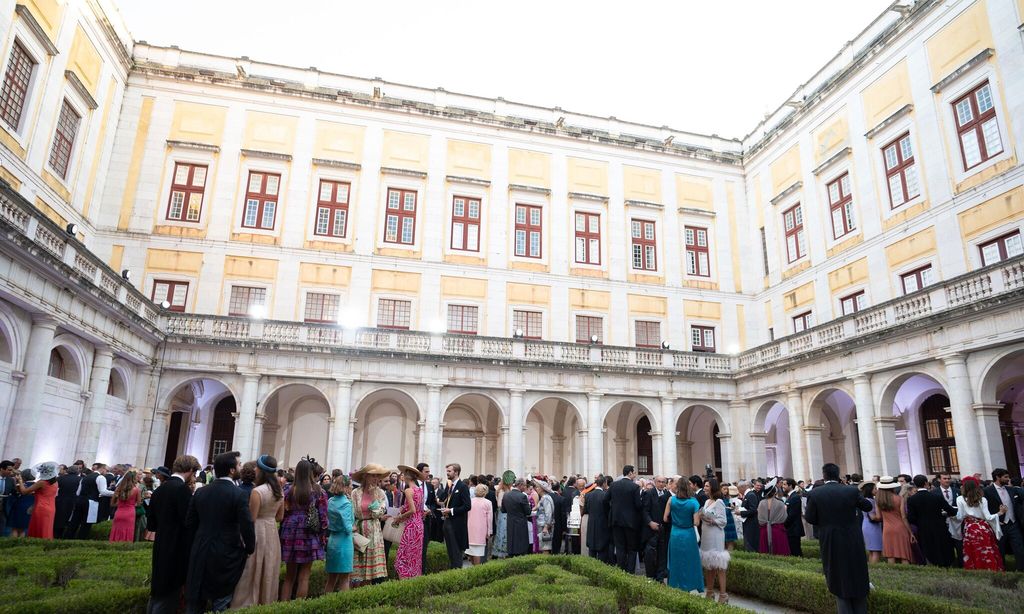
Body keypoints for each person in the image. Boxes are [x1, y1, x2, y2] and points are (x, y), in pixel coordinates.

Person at [184, 451, 255, 614]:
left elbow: (190, 523)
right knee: (221, 601)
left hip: (200, 549)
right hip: (226, 553)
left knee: (195, 599)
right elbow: (247, 526)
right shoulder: (239, 494)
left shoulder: (201, 492)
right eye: (238, 464)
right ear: (231, 470)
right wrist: (249, 549)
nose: (240, 467)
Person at [805, 463, 873, 614]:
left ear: (824, 475)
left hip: (830, 538)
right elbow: (868, 506)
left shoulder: (816, 493)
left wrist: (825, 523)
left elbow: (809, 518)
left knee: (836, 572)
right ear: (838, 474)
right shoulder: (851, 490)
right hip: (852, 536)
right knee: (857, 570)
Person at [147, 455, 199, 614]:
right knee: (170, 590)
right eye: (194, 472)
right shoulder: (182, 490)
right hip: (177, 546)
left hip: (161, 542)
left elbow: (151, 524)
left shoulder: (160, 489)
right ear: (190, 470)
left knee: (158, 587)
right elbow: (188, 521)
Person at [231, 455, 284, 607]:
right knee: (268, 568)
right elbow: (280, 517)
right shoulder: (279, 491)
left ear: (261, 470)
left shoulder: (257, 491)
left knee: (252, 568)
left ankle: (247, 603)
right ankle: (266, 601)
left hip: (258, 530)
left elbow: (251, 518)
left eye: (257, 468)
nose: (254, 470)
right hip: (272, 532)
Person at [279, 458, 328, 600]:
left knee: (289, 576)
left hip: (290, 530)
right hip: (308, 531)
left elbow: (284, 512)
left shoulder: (288, 490)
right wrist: (322, 535)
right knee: (304, 576)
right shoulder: (318, 491)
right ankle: (299, 607)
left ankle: (282, 607)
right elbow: (323, 517)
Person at [351, 463, 389, 585]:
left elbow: (379, 513)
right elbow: (352, 512)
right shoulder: (355, 492)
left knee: (372, 567)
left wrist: (374, 498)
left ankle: (368, 591)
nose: (376, 478)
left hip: (374, 529)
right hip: (359, 528)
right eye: (373, 475)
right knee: (358, 564)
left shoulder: (380, 493)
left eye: (377, 476)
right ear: (365, 477)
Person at [905, 474, 955, 567]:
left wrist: (920, 521)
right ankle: (946, 564)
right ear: (926, 483)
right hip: (939, 526)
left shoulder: (912, 499)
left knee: (928, 548)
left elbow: (911, 518)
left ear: (915, 485)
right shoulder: (936, 496)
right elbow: (950, 510)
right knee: (943, 547)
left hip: (923, 528)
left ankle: (932, 564)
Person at [956, 475, 1003, 570]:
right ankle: (991, 568)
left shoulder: (960, 499)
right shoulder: (983, 499)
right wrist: (999, 513)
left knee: (972, 550)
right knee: (987, 549)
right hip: (983, 528)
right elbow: (988, 517)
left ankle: (975, 569)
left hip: (970, 529)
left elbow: (959, 516)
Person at [665, 477, 702, 593]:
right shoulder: (693, 502)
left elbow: (665, 518)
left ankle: (675, 585)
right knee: (689, 561)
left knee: (675, 561)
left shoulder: (671, 500)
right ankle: (688, 586)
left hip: (675, 533)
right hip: (688, 533)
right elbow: (696, 522)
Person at [983, 467, 1024, 571]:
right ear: (997, 477)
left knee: (1019, 548)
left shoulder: (1012, 489)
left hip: (1014, 523)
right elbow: (985, 509)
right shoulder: (987, 491)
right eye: (1005, 477)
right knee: (1000, 549)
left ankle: (1021, 569)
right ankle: (1002, 570)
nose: (1008, 479)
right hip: (999, 525)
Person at [607, 465, 643, 573]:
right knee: (632, 549)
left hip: (616, 521)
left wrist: (613, 510)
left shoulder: (613, 485)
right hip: (631, 522)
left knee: (620, 548)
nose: (635, 475)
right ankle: (630, 572)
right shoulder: (634, 487)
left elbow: (605, 499)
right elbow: (638, 505)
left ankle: (621, 570)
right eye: (634, 472)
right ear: (630, 473)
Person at [700, 479, 730, 604]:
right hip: (706, 534)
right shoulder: (707, 501)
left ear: (712, 487)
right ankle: (710, 591)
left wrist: (713, 521)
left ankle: (723, 595)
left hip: (716, 535)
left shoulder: (719, 502)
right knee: (708, 565)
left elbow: (723, 521)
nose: (705, 487)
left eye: (707, 486)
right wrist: (703, 516)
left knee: (719, 565)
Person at [393, 464, 426, 578]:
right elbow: (419, 510)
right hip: (419, 524)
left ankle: (405, 580)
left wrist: (399, 518)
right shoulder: (420, 490)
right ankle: (414, 578)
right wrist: (404, 508)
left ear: (407, 476)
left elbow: (412, 510)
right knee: (415, 555)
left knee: (404, 556)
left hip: (411, 524)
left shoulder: (408, 490)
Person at [324, 474, 354, 593]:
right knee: (345, 579)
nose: (352, 487)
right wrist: (354, 527)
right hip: (344, 541)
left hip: (332, 540)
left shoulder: (330, 500)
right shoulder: (346, 504)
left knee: (331, 579)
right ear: (345, 487)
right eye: (350, 485)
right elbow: (348, 527)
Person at [439, 463, 472, 569]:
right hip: (447, 522)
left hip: (457, 524)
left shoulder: (462, 487)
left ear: (456, 472)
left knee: (456, 552)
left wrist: (451, 510)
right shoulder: (449, 486)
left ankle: (456, 573)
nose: (447, 473)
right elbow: (442, 499)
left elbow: (467, 506)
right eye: (447, 471)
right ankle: (452, 572)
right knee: (450, 551)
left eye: (449, 471)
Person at [876, 476, 914, 564]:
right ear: (892, 486)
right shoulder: (899, 498)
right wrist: (910, 532)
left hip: (887, 528)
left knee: (890, 554)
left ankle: (893, 574)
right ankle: (908, 574)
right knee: (904, 554)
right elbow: (904, 517)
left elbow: (878, 517)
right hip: (900, 527)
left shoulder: (878, 500)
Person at [641, 475, 670, 581]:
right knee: (649, 554)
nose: (661, 484)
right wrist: (650, 522)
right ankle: (650, 576)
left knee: (662, 554)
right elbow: (644, 511)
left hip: (663, 530)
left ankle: (660, 577)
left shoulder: (667, 495)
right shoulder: (648, 493)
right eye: (659, 481)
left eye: (663, 482)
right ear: (655, 482)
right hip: (651, 530)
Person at [22, 462, 59, 539]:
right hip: (51, 508)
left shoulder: (41, 482)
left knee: (37, 528)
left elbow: (24, 492)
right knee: (47, 528)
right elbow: (46, 493)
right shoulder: (55, 483)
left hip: (41, 507)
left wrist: (19, 480)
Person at [757, 478, 790, 555]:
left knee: (765, 554)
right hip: (777, 530)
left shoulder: (761, 503)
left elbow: (759, 519)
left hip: (764, 530)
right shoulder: (780, 503)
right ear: (775, 492)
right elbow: (784, 518)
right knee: (780, 553)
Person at [583, 476, 611, 563]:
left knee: (592, 551)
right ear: (604, 484)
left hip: (591, 524)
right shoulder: (605, 495)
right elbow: (608, 511)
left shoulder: (588, 495)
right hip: (603, 525)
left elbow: (586, 510)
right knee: (603, 552)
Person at [502, 478, 532, 557]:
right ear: (520, 485)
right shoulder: (522, 496)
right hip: (520, 523)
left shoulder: (506, 495)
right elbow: (528, 512)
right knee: (521, 544)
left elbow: (503, 510)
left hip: (510, 522)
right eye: (525, 485)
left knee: (511, 543)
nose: (525, 487)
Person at [415, 462, 437, 571]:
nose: (428, 474)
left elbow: (433, 503)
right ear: (419, 472)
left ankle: (422, 570)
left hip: (426, 521)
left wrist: (430, 510)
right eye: (426, 472)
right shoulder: (412, 485)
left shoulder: (430, 486)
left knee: (424, 548)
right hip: (414, 521)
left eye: (429, 471)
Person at [466, 483, 493, 564]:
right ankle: (476, 569)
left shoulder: (470, 501)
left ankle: (473, 566)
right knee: (477, 551)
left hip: (469, 527)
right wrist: (489, 531)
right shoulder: (488, 502)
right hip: (481, 529)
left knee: (470, 550)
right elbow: (489, 519)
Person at [109, 470, 140, 542]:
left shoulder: (118, 489)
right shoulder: (136, 490)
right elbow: (138, 504)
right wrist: (131, 504)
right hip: (130, 513)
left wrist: (120, 504)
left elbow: (112, 504)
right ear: (134, 479)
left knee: (116, 531)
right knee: (128, 532)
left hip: (119, 512)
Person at [53, 464, 81, 538]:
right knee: (69, 519)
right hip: (73, 501)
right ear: (77, 471)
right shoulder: (80, 479)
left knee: (58, 518)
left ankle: (55, 535)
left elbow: (55, 489)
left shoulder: (60, 478)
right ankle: (65, 535)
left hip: (60, 500)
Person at [859, 482, 883, 563]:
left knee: (871, 551)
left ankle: (872, 569)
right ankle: (875, 569)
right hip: (873, 527)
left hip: (866, 525)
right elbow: (874, 517)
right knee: (876, 550)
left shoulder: (865, 500)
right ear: (870, 490)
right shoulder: (871, 501)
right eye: (875, 488)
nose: (876, 490)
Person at [9, 468, 35, 537]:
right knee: (22, 529)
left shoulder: (21, 485)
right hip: (30, 507)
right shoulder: (36, 485)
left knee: (14, 528)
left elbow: (17, 493)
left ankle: (12, 544)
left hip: (19, 506)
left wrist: (18, 481)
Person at [782, 478, 804, 556]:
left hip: (793, 529)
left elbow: (792, 516)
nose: (783, 486)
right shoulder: (790, 497)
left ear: (790, 485)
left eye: (784, 484)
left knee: (796, 552)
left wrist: (783, 525)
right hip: (790, 529)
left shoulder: (795, 497)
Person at [737, 480, 760, 552]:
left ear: (742, 487)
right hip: (747, 522)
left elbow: (753, 510)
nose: (738, 491)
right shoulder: (747, 495)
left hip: (751, 524)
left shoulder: (751, 495)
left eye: (738, 489)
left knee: (750, 544)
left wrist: (741, 513)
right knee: (747, 542)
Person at [533, 478, 555, 552]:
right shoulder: (543, 498)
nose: (536, 489)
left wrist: (546, 526)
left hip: (544, 526)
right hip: (541, 524)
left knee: (545, 546)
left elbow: (548, 513)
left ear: (542, 489)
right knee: (543, 545)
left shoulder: (546, 498)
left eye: (538, 487)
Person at [0, 460, 15, 536]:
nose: (10, 472)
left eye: (11, 470)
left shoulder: (11, 480)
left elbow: (14, 492)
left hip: (4, 508)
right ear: (2, 469)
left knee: (1, 527)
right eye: (9, 470)